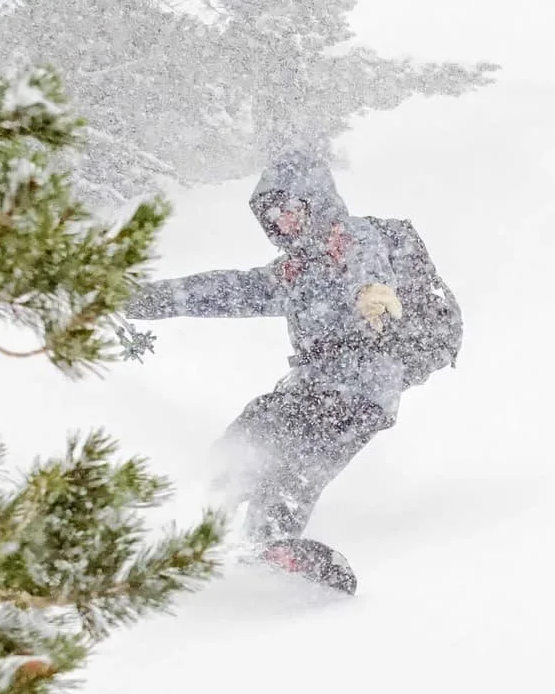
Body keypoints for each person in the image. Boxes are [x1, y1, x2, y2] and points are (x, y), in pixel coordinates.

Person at [122, 148, 414, 548]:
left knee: (298, 458)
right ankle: (193, 510)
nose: (283, 222)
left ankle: (272, 547)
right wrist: (149, 299)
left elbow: (369, 264)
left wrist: (371, 291)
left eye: (291, 209)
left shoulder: (351, 238)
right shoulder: (294, 272)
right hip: (308, 386)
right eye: (272, 216)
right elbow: (231, 290)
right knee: (253, 429)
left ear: (317, 202)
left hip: (361, 390)